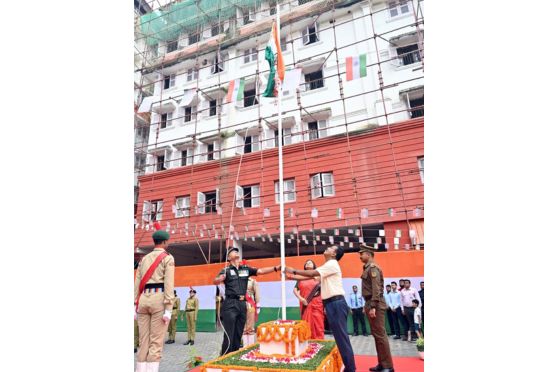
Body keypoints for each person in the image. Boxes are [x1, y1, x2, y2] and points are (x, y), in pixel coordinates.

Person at [285, 246, 356, 372]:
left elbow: (312, 274)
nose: (327, 248)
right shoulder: (327, 266)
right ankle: (349, 367)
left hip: (336, 303)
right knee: (339, 338)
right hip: (331, 304)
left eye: (330, 248)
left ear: (334, 254)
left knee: (341, 338)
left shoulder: (332, 264)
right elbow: (310, 277)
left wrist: (294, 270)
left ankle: (350, 369)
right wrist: (291, 276)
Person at [214, 247, 280, 356]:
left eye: (236, 251)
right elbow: (215, 281)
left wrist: (275, 268)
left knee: (238, 333)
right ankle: (224, 357)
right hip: (230, 304)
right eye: (233, 252)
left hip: (242, 304)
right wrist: (220, 279)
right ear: (229, 257)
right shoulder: (226, 270)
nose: (236, 252)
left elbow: (261, 271)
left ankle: (233, 356)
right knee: (229, 334)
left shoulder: (245, 269)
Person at [134, 229, 175, 372]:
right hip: (159, 299)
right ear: (164, 242)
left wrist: (134, 304)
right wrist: (169, 308)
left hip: (143, 300)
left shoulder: (143, 259)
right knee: (156, 343)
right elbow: (169, 284)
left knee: (143, 341)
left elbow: (137, 282)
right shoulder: (167, 258)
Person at [359, 244, 394, 372]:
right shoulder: (367, 268)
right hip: (371, 303)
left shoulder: (373, 268)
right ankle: (382, 364)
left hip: (376, 304)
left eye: (361, 254)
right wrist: (367, 305)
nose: (360, 256)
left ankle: (388, 366)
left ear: (368, 254)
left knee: (380, 335)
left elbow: (376, 288)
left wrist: (373, 306)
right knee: (376, 335)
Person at [290, 259, 325, 339]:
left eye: (310, 262)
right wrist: (301, 299)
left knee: (318, 323)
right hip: (305, 303)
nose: (308, 263)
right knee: (306, 323)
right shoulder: (301, 277)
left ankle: (319, 342)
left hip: (317, 303)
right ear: (305, 266)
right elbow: (295, 290)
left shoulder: (318, 276)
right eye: (307, 263)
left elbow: (324, 289)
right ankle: (307, 341)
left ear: (314, 266)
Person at [242, 276, 261, 346]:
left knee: (250, 327)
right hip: (241, 305)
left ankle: (250, 346)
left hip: (250, 304)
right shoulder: (238, 280)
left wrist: (258, 304)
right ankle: (245, 347)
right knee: (243, 327)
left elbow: (257, 294)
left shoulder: (253, 281)